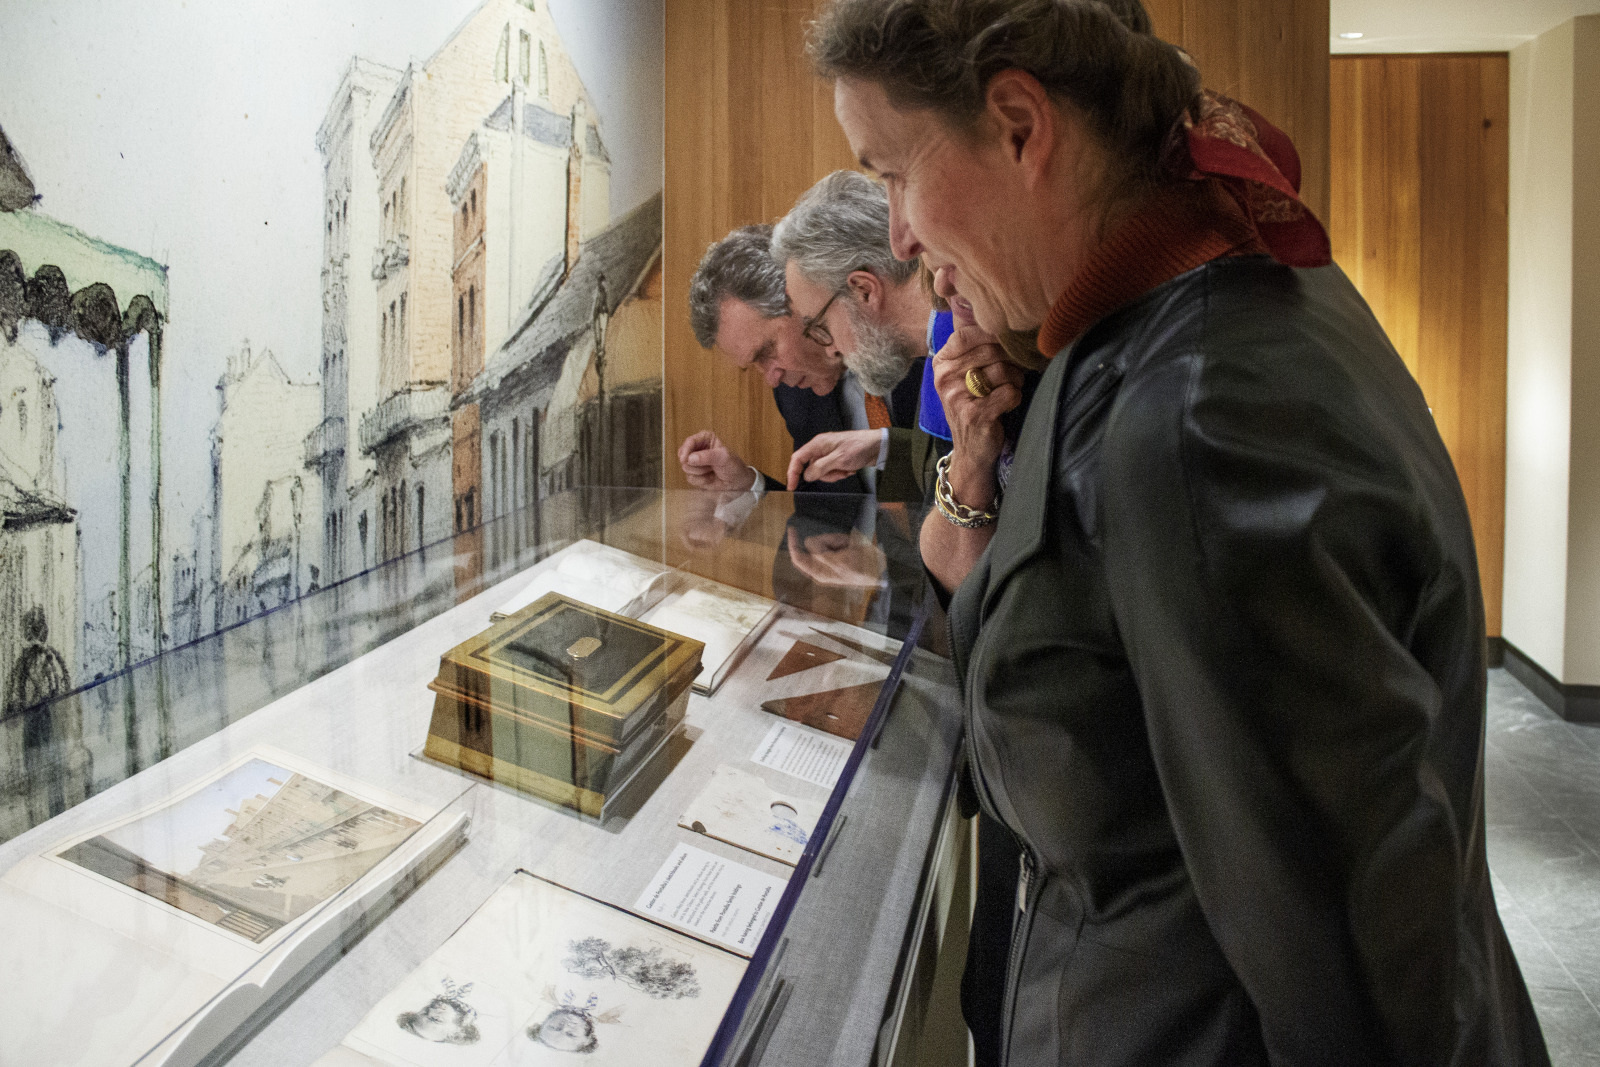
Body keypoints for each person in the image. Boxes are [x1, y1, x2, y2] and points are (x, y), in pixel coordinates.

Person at [812, 1, 1551, 1065]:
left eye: (890, 171)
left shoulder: (1201, 421)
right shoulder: (1170, 308)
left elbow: (1361, 988)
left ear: (1021, 124)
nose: (897, 233)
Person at [682, 224, 923, 501]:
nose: (772, 377)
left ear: (802, 301)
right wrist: (746, 487)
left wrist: (884, 448)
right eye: (755, 365)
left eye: (767, 351)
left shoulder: (918, 343)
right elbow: (822, 514)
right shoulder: (795, 393)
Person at [770, 169, 938, 494]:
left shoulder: (976, 339)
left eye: (821, 326)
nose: (831, 350)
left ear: (863, 289)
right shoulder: (939, 354)